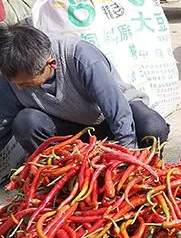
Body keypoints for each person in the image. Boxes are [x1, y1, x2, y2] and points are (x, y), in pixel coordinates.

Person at [0, 24, 169, 155]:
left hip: (108, 119)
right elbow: (3, 123)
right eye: (15, 82)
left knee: (153, 128)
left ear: (51, 65)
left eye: (26, 83)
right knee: (26, 123)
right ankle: (63, 174)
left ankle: (148, 172)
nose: (19, 87)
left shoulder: (79, 56)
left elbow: (116, 110)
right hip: (70, 129)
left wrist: (127, 153)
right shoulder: (11, 77)